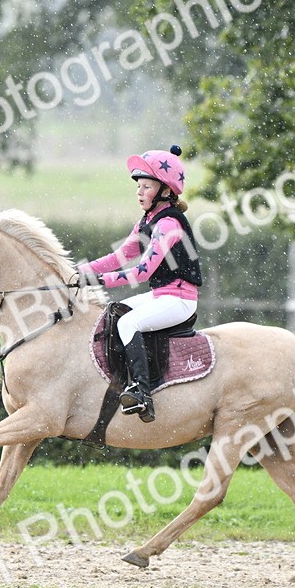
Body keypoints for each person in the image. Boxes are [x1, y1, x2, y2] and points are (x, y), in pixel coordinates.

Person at [73, 144, 202, 423]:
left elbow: (141, 273)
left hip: (180, 301)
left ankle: (142, 391)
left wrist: (94, 280)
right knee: (112, 314)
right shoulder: (147, 221)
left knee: (127, 323)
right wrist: (75, 271)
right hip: (161, 296)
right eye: (138, 186)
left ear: (165, 191)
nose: (139, 192)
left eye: (146, 186)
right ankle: (123, 380)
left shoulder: (168, 225)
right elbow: (118, 257)